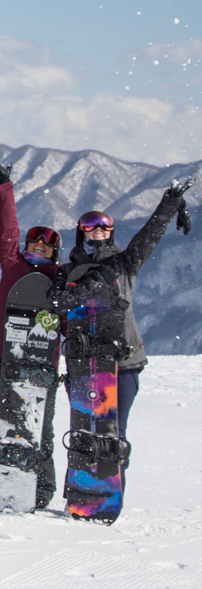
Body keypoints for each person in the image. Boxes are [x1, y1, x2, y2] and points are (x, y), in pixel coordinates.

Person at [49, 176, 193, 455]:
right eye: (91, 225)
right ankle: (83, 492)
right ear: (81, 232)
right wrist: (88, 284)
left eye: (104, 225)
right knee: (84, 429)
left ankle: (110, 492)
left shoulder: (125, 263)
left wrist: (170, 202)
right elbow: (57, 302)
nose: (98, 230)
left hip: (123, 360)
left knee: (113, 435)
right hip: (83, 361)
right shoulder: (67, 271)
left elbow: (148, 235)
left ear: (112, 232)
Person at [0, 153, 62, 503]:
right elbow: (7, 230)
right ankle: (9, 483)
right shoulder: (14, 265)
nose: (38, 245)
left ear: (55, 251)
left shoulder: (58, 279)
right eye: (34, 241)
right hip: (6, 355)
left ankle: (42, 489)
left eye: (46, 243)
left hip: (42, 362)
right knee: (8, 424)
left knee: (40, 425)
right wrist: (5, 187)